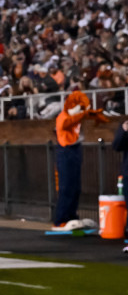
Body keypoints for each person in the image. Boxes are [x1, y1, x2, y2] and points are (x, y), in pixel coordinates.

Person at [54, 89, 106, 225]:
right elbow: (66, 124)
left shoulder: (76, 116)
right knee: (66, 186)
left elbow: (87, 116)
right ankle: (61, 218)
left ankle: (72, 215)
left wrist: (94, 115)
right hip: (65, 150)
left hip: (76, 149)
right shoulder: (63, 116)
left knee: (75, 186)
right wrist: (83, 113)